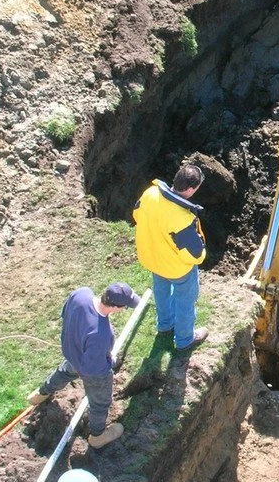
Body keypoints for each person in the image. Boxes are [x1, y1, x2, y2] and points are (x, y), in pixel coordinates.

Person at [27, 282, 140, 448]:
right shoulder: (101, 334)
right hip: (89, 368)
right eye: (124, 307)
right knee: (99, 403)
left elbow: (65, 314)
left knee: (64, 371)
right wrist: (108, 364)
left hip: (72, 352)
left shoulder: (82, 294)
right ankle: (98, 437)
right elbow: (93, 370)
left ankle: (40, 394)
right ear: (116, 307)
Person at [132, 164, 209, 350]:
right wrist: (203, 250)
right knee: (185, 301)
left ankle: (165, 325)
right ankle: (185, 339)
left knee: (162, 292)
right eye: (197, 187)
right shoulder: (181, 218)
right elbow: (195, 255)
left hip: (152, 258)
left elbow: (136, 215)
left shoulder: (150, 193)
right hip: (176, 269)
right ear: (190, 189)